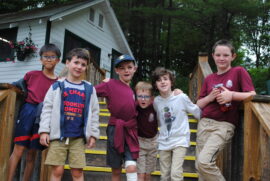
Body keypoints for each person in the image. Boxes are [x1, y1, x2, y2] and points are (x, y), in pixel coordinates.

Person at [196, 39, 256, 181]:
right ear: (213, 56)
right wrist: (210, 97)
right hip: (204, 124)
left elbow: (253, 94)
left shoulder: (238, 71)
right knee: (200, 169)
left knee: (204, 162)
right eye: (218, 55)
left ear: (233, 56)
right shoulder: (209, 78)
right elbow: (199, 103)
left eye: (225, 55)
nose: (221, 58)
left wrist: (231, 95)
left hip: (223, 125)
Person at [39, 48, 100, 181]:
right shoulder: (57, 86)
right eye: (76, 62)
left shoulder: (89, 89)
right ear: (67, 63)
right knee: (57, 171)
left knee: (77, 171)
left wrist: (93, 134)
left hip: (78, 137)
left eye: (83, 65)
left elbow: (94, 112)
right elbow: (47, 109)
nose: (79, 67)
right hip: (57, 136)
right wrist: (44, 130)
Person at [8, 43, 61, 181]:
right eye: (45, 57)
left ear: (58, 60)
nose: (49, 59)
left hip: (43, 117)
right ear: (40, 59)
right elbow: (15, 85)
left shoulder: (59, 83)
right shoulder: (31, 75)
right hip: (27, 112)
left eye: (52, 57)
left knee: (32, 154)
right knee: (18, 150)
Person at [152, 67, 201, 181]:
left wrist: (207, 122)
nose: (163, 82)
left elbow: (196, 111)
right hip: (164, 141)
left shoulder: (181, 97)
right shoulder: (156, 101)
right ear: (155, 85)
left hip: (180, 140)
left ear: (171, 82)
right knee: (164, 175)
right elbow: (158, 120)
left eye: (165, 79)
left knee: (175, 174)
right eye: (159, 80)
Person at [95, 54, 139, 181]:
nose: (126, 70)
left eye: (129, 67)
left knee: (131, 167)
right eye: (122, 68)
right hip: (115, 129)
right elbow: (91, 91)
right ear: (116, 70)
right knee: (116, 169)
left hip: (130, 131)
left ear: (134, 69)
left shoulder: (133, 91)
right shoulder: (110, 84)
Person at [135, 81, 158, 181]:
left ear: (152, 98)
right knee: (141, 174)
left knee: (148, 174)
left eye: (146, 96)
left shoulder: (155, 106)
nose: (143, 99)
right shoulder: (135, 107)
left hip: (153, 143)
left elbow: (167, 99)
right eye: (140, 96)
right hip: (140, 143)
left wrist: (176, 91)